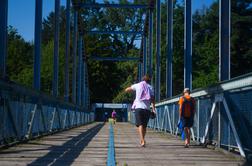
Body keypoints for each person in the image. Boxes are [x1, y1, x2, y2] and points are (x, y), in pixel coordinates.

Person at [125, 74, 156, 147]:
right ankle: (142, 139)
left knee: (140, 125)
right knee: (144, 126)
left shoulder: (137, 85)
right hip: (147, 109)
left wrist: (130, 91)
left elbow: (127, 89)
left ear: (142, 80)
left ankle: (142, 140)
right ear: (149, 81)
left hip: (138, 108)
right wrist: (154, 109)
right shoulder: (150, 87)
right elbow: (153, 99)